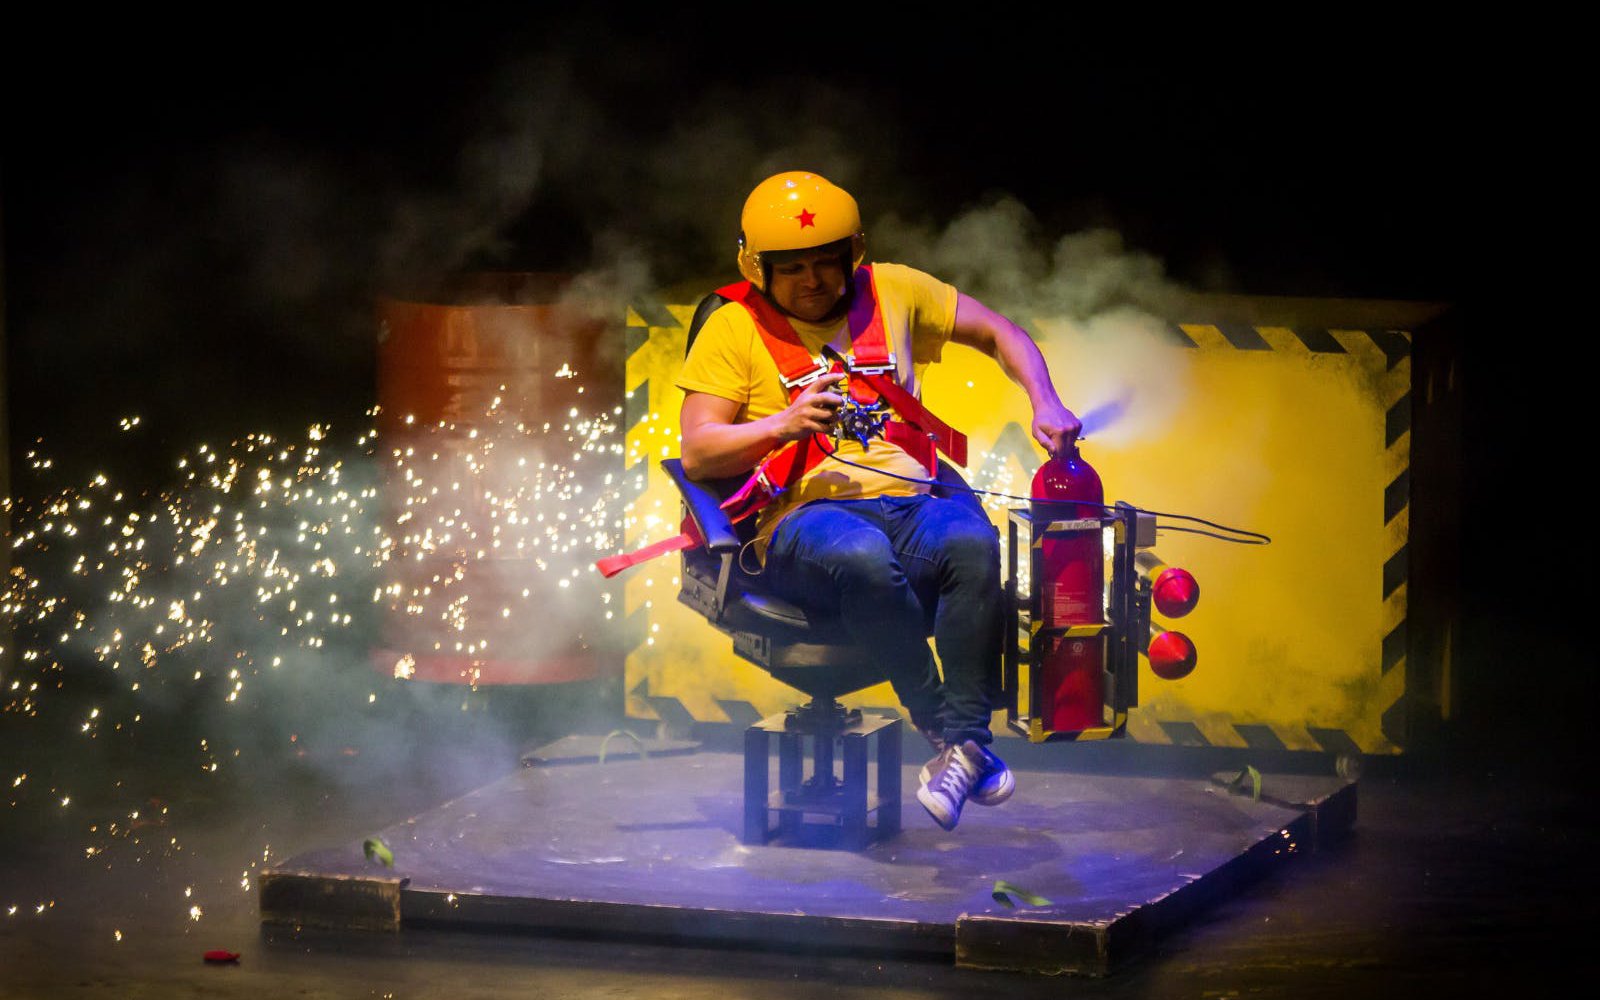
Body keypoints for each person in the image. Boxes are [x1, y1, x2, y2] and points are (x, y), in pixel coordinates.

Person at [676, 171, 1080, 830]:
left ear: (851, 256)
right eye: (793, 269)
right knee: (863, 556)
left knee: (973, 544)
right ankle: (946, 739)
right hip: (804, 517)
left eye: (825, 263)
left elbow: (1000, 332)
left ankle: (968, 744)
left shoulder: (894, 289)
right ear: (761, 270)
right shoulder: (733, 329)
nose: (812, 280)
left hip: (914, 496)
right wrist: (782, 424)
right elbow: (698, 452)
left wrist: (1046, 399)